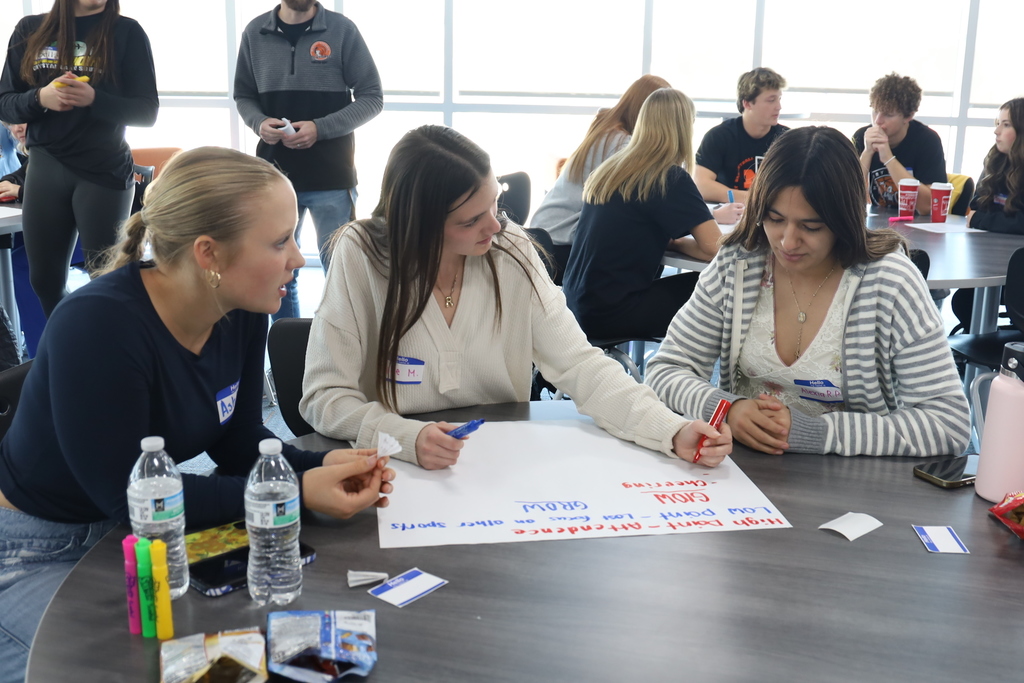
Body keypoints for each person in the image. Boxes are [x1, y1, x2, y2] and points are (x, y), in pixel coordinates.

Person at [0, 147, 396, 681]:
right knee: (136, 669)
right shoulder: (97, 326)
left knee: (245, 647)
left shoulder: (242, 307)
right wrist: (295, 492)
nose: (298, 259)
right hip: (35, 549)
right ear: (209, 253)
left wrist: (310, 468)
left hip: (135, 538)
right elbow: (127, 497)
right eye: (280, 242)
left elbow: (237, 436)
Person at [300, 124, 733, 471]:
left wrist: (669, 429)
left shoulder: (511, 249)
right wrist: (401, 437)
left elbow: (580, 366)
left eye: (497, 205)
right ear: (417, 224)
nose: (494, 227)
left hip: (498, 470)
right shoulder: (361, 254)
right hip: (394, 470)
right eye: (471, 221)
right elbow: (324, 398)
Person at [645, 126, 971, 458]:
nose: (787, 241)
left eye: (810, 226)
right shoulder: (738, 263)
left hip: (855, 489)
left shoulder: (890, 282)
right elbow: (665, 370)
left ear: (845, 220)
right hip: (744, 485)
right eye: (774, 219)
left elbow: (948, 424)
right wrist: (728, 408)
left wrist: (817, 433)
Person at [0, 0, 159, 317]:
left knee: (108, 282)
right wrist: (40, 98)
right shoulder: (30, 30)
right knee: (44, 281)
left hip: (103, 170)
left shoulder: (126, 31)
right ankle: (71, 350)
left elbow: (147, 111)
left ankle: (112, 356)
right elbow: (5, 103)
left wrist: (94, 99)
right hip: (45, 167)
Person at [234, 0, 383, 320]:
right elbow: (243, 95)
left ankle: (340, 352)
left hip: (331, 178)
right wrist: (258, 122)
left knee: (342, 275)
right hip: (273, 179)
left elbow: (372, 97)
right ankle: (287, 355)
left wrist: (321, 128)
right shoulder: (254, 32)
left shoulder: (342, 32)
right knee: (279, 274)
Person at [562, 88, 722, 341]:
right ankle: (698, 375)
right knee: (720, 287)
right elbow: (716, 248)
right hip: (612, 314)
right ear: (683, 128)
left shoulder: (613, 169)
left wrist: (677, 243)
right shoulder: (668, 177)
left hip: (575, 307)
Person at [951, 98, 1024, 329]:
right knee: (964, 300)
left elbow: (1020, 224)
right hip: (991, 258)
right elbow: (974, 208)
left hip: (1019, 270)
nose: (996, 131)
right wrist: (990, 220)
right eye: (997, 123)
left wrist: (984, 220)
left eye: (1005, 125)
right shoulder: (996, 161)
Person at [853, 73, 946, 215]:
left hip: (917, 227)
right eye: (875, 111)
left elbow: (927, 207)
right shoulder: (862, 137)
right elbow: (847, 197)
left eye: (888, 115)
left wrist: (888, 158)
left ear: (908, 116)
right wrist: (867, 153)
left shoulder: (927, 140)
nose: (878, 120)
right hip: (877, 225)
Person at [694, 67, 788, 204]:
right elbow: (701, 186)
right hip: (730, 214)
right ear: (747, 103)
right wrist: (751, 200)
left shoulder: (787, 140)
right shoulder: (719, 136)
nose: (779, 106)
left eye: (779, 99)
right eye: (771, 100)